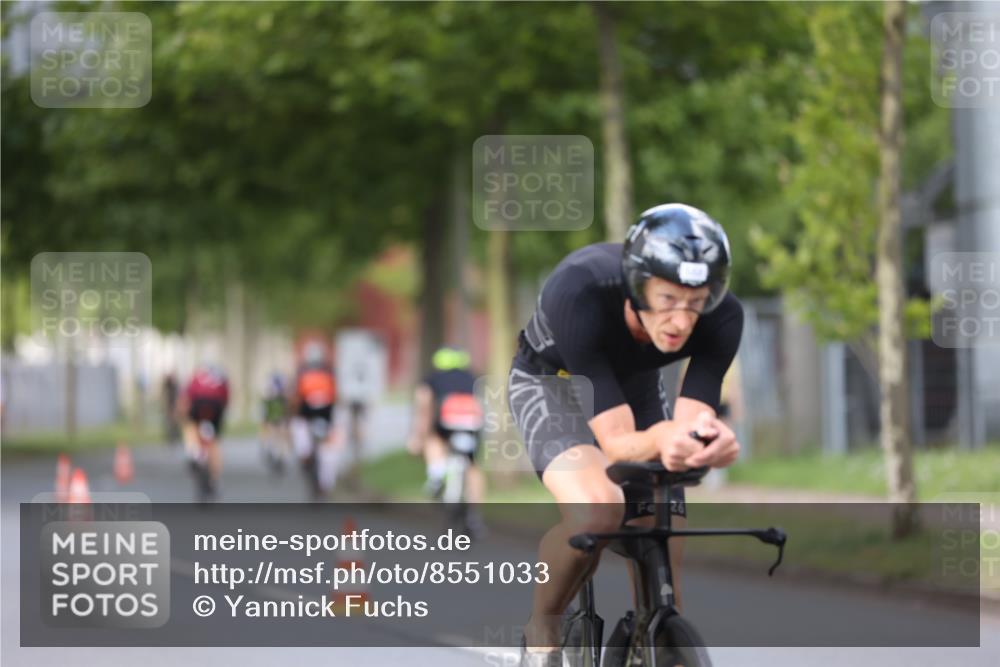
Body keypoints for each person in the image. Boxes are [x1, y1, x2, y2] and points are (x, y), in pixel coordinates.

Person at [508, 203, 743, 666]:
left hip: (633, 385)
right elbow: (617, 442)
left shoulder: (723, 316)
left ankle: (649, 638)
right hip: (554, 384)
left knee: (662, 528)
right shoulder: (579, 291)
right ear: (637, 287)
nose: (682, 321)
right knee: (598, 510)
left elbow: (692, 422)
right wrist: (664, 438)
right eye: (668, 299)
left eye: (695, 303)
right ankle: (542, 628)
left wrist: (710, 443)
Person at [407, 347, 487, 515]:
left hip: (447, 419)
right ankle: (475, 513)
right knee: (473, 465)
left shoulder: (432, 379)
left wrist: (418, 436)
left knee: (434, 439)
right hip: (472, 422)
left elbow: (424, 407)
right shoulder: (474, 377)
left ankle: (436, 474)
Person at [290, 341, 338, 498]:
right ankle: (325, 484)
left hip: (308, 417)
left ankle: (308, 465)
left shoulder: (302, 372)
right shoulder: (329, 371)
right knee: (325, 451)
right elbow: (336, 397)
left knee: (308, 447)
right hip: (322, 417)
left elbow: (295, 397)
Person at [176, 364, 229, 498]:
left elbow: (186, 395)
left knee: (190, 426)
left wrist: (181, 412)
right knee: (214, 442)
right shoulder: (221, 376)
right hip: (216, 405)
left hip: (198, 402)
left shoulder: (197, 375)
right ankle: (214, 480)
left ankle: (194, 452)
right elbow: (226, 398)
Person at [259, 371, 290, 471]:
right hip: (276, 420)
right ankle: (279, 454)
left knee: (277, 436)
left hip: (275, 419)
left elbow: (265, 412)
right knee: (278, 436)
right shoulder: (282, 396)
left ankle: (278, 454)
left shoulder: (271, 396)